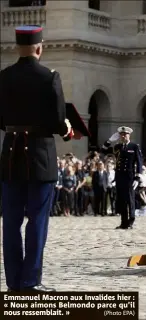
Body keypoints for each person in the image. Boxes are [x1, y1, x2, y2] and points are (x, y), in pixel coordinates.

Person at [0, 25, 73, 292]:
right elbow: (57, 121)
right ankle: (30, 281)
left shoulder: (4, 77)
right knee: (37, 221)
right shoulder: (49, 77)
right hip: (40, 157)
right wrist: (67, 129)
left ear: (17, 47)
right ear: (40, 48)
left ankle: (13, 283)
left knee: (10, 223)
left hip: (10, 156)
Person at [101, 126, 142, 229]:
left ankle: (131, 220)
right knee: (122, 199)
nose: (123, 136)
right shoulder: (117, 147)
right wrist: (109, 141)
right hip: (119, 176)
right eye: (121, 134)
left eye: (125, 134)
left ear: (129, 135)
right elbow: (103, 150)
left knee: (130, 199)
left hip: (129, 176)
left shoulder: (134, 146)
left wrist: (137, 177)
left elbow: (139, 162)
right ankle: (124, 222)